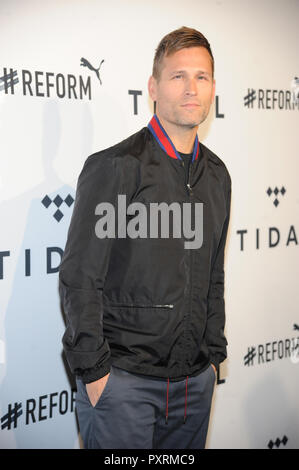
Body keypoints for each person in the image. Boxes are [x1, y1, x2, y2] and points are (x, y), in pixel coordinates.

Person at [59, 26, 232, 449]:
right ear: (154, 87)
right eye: (178, 76)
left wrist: (213, 356)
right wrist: (96, 373)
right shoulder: (116, 167)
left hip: (195, 383)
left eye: (202, 77)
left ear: (213, 88)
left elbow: (213, 274)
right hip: (125, 386)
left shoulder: (218, 176)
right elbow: (81, 278)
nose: (192, 88)